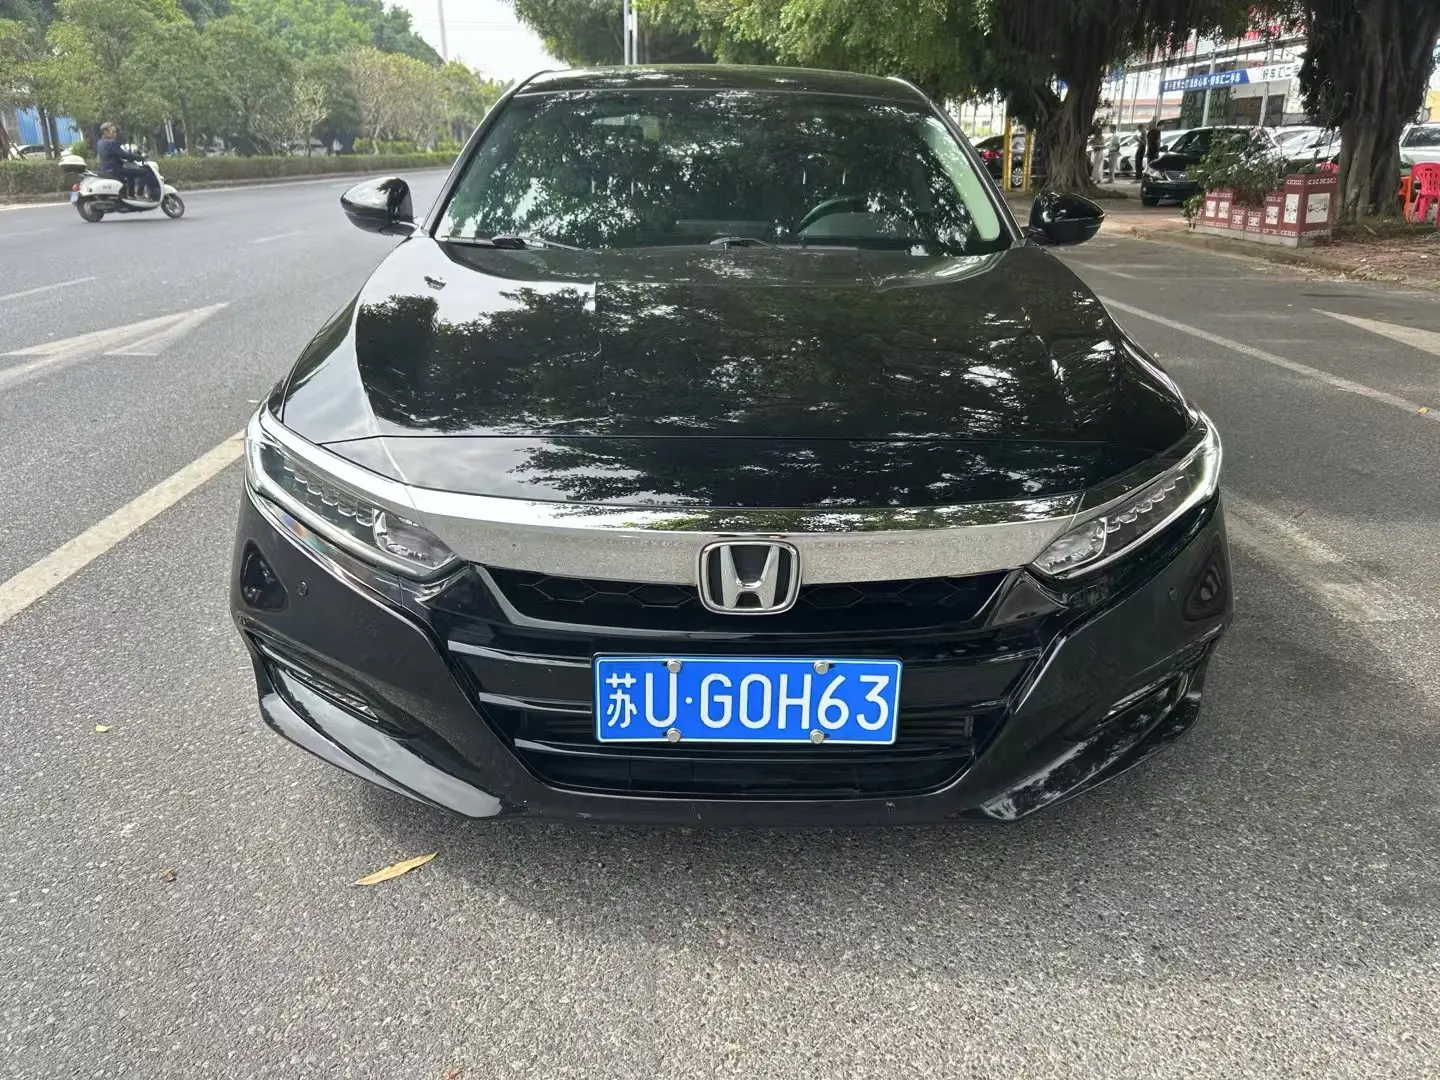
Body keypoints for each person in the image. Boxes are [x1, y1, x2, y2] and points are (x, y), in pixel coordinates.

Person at [96, 123, 155, 200]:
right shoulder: (111, 143)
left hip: (106, 169)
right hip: (115, 170)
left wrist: (129, 158)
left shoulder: (100, 142)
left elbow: (114, 156)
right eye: (113, 132)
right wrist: (140, 157)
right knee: (145, 172)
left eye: (115, 132)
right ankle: (140, 194)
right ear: (105, 132)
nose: (115, 134)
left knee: (131, 173)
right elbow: (123, 154)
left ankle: (131, 195)